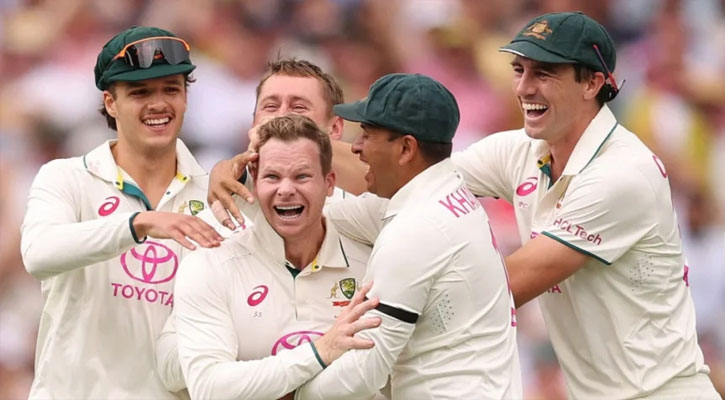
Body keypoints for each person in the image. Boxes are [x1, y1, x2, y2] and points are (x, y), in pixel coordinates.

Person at [209, 12, 721, 400]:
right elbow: (408, 172)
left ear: (593, 83)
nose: (523, 87)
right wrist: (262, 159)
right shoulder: (522, 150)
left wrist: (382, 304)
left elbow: (498, 289)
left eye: (544, 73)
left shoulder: (621, 176)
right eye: (519, 70)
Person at [20, 26, 223, 399]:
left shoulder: (213, 195)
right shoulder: (66, 177)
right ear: (110, 103)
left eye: (171, 89)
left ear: (186, 97)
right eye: (139, 92)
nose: (158, 104)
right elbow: (39, 254)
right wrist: (137, 223)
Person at [293, 73, 521, 399]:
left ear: (406, 148)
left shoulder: (416, 228)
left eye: (367, 135)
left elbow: (364, 371)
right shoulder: (447, 194)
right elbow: (329, 214)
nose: (355, 147)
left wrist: (286, 393)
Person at [154, 58, 369, 393]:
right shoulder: (214, 225)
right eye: (270, 106)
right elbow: (171, 367)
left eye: (299, 107)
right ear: (253, 122)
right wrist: (263, 347)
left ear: (335, 129)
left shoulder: (362, 222)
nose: (282, 117)